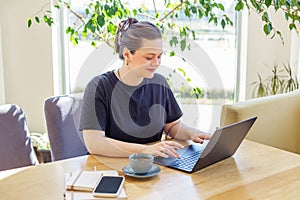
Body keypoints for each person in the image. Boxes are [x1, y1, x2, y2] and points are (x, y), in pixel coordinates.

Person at [80, 17, 210, 159]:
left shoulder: (160, 83)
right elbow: (95, 143)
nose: (156, 63)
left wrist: (192, 133)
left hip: (152, 168)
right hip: (111, 169)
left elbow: (172, 127)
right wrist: (145, 150)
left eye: (159, 56)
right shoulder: (99, 86)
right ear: (127, 54)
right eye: (149, 57)